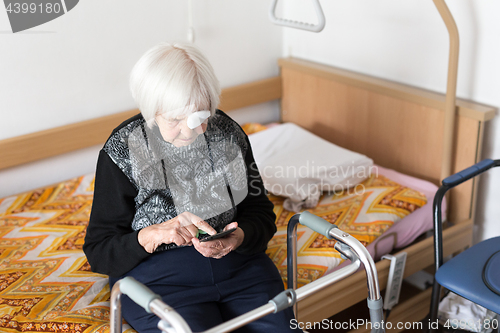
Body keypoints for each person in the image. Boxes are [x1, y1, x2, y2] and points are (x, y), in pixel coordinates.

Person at [83, 42, 299, 332]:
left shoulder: (228, 134)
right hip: (160, 280)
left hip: (242, 270)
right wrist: (150, 235)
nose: (189, 131)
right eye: (174, 119)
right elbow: (99, 250)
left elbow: (260, 212)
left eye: (200, 117)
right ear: (151, 110)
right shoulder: (123, 150)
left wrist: (239, 237)